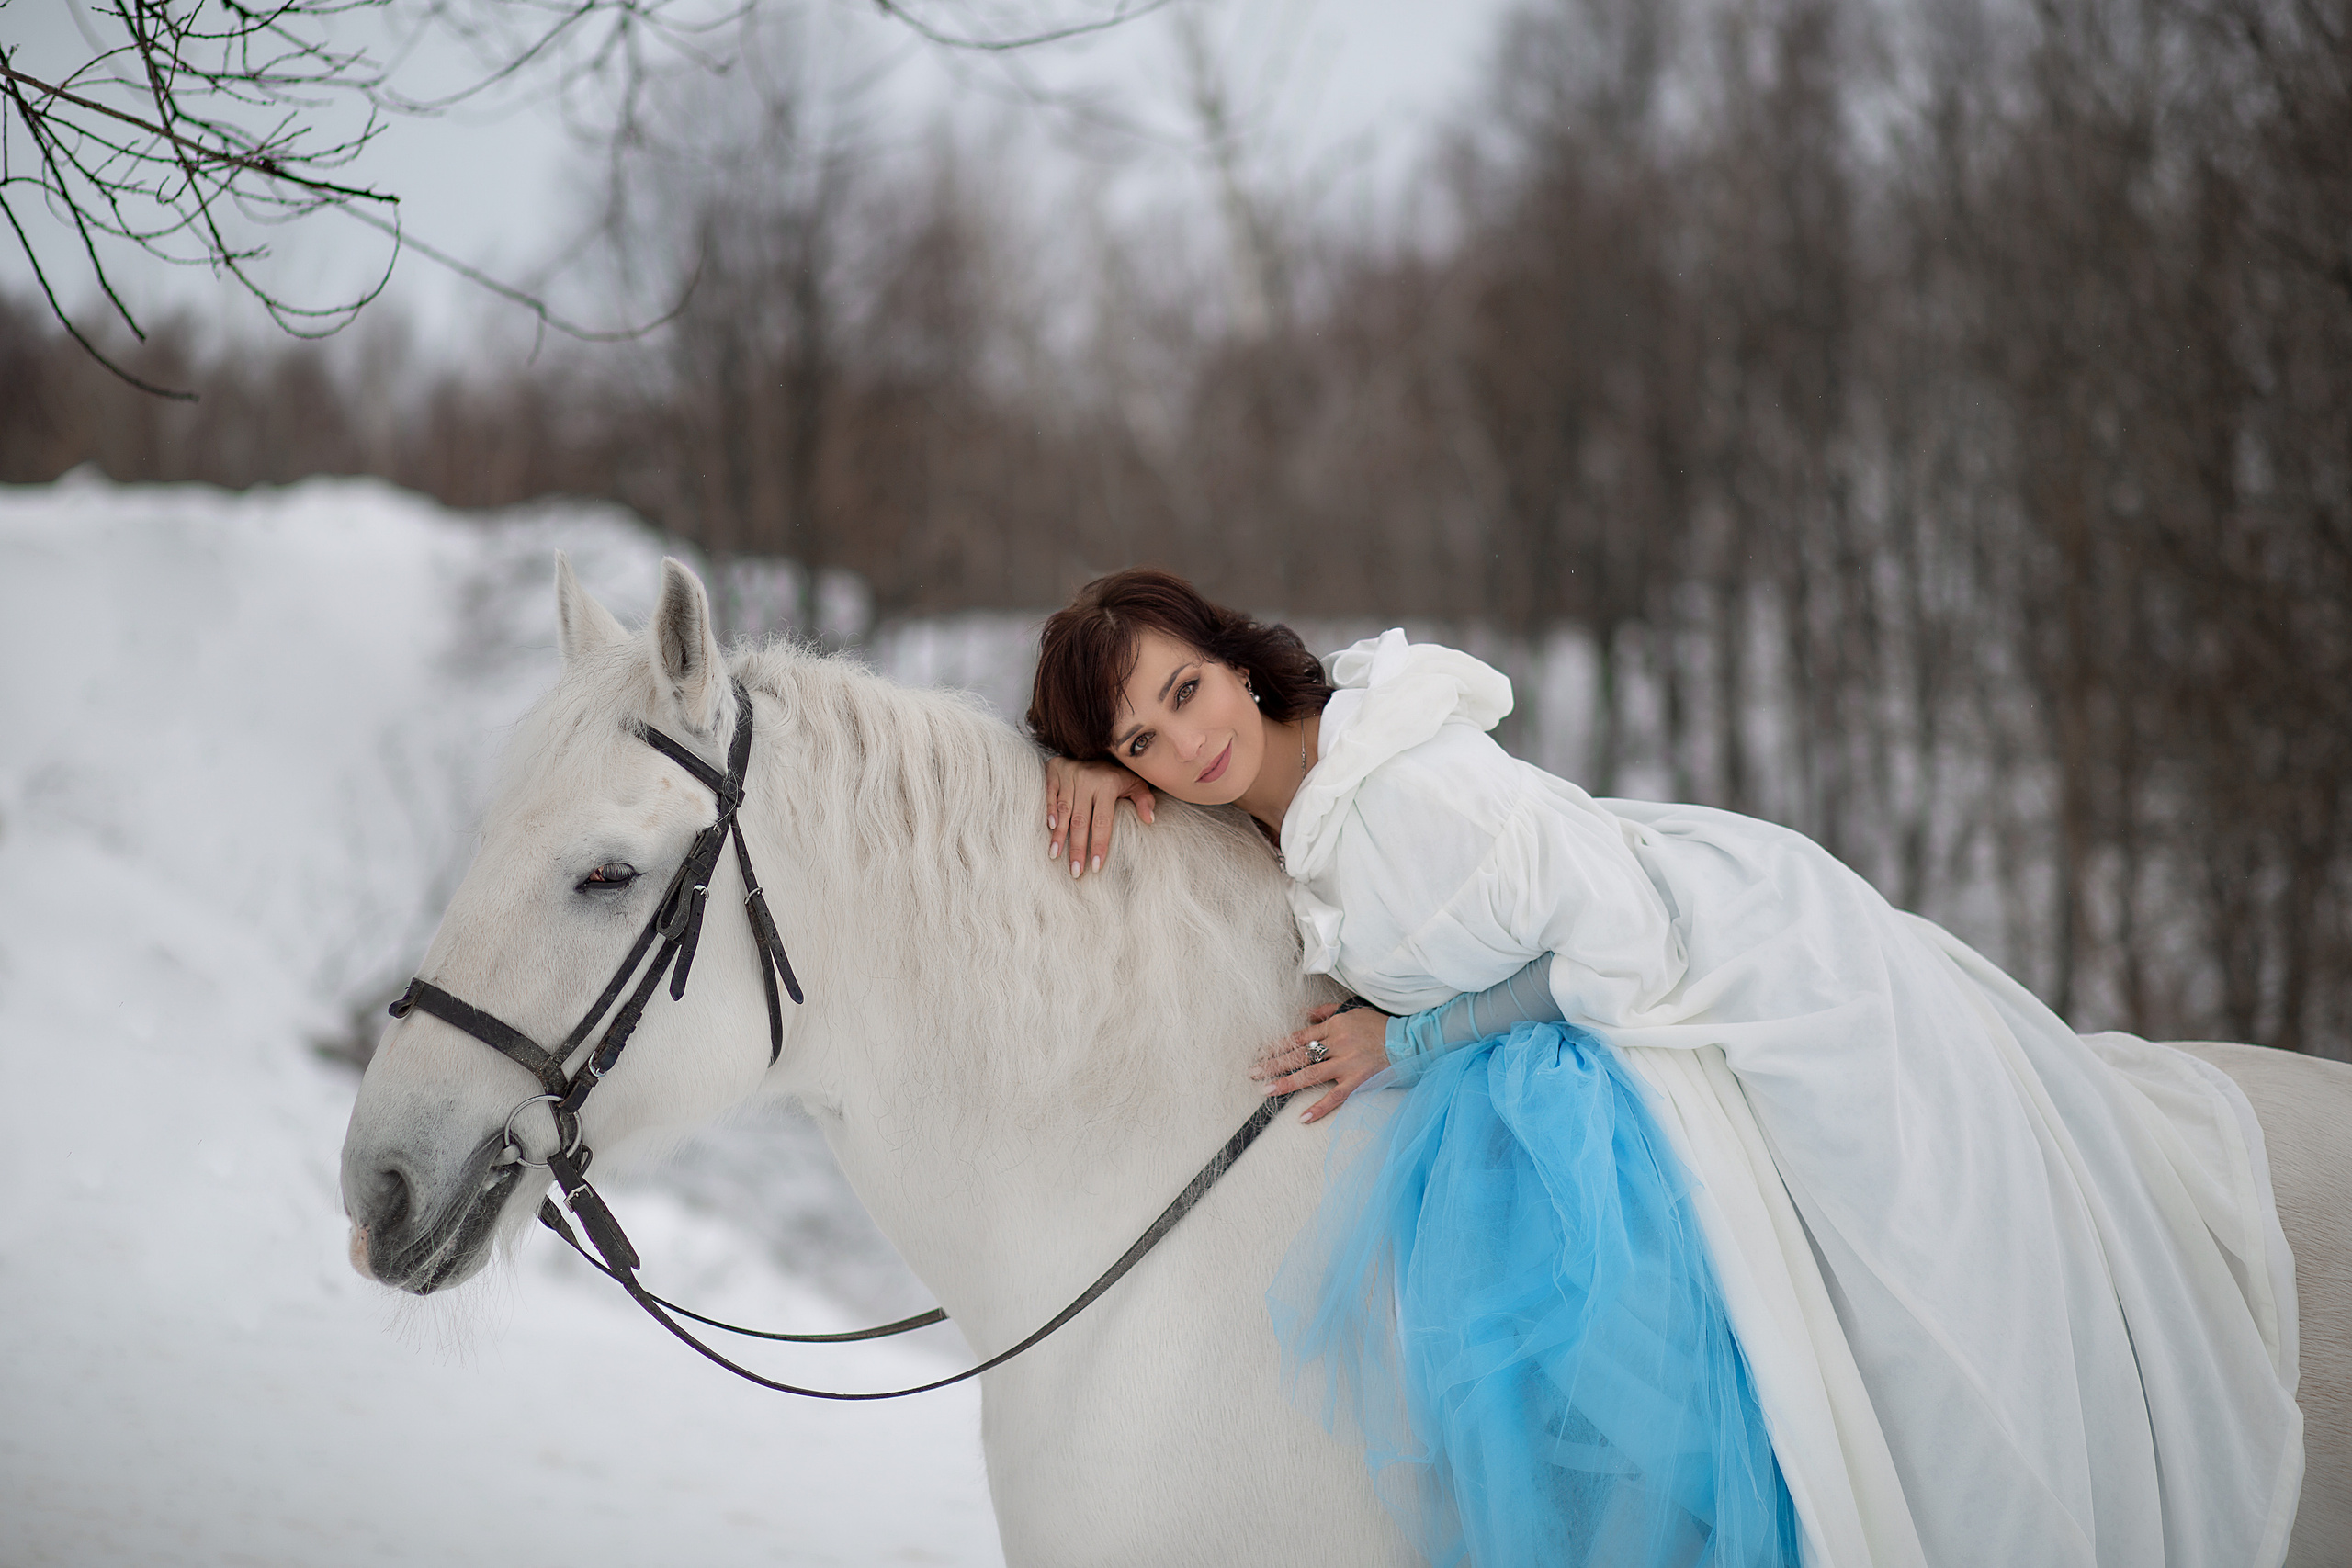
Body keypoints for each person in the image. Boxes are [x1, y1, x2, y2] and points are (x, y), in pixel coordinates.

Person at [1026, 568, 2304, 1568]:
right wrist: (1079, 761)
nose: (1181, 745)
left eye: (1185, 691)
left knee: (1773, 1326)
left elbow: (1617, 944)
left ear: (1235, 662)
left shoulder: (1412, 788)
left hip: (1679, 971)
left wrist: (1402, 1036)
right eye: (1141, 740)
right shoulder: (1268, 802)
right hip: (1553, 1008)